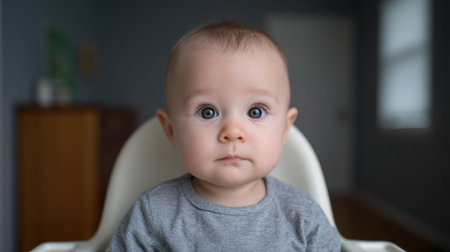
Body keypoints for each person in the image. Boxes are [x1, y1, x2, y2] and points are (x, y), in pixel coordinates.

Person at [107, 21, 341, 251]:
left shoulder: (303, 216)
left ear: (284, 129)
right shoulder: (153, 213)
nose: (233, 132)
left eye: (255, 111)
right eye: (207, 112)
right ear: (171, 130)